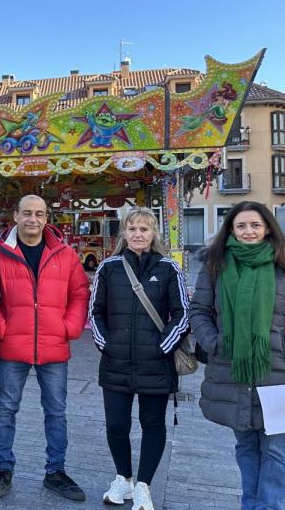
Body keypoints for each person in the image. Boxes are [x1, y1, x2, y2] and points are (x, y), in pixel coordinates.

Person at [189, 200, 285, 510]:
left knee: (275, 449)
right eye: (241, 225)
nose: (249, 231)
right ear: (231, 229)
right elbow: (199, 310)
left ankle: (268, 506)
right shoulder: (215, 265)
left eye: (255, 225)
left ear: (267, 229)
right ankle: (251, 504)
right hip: (231, 368)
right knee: (245, 444)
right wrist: (215, 342)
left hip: (279, 370)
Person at [0, 194, 90, 502]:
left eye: (39, 213)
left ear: (47, 218)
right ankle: (2, 469)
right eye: (27, 213)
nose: (33, 219)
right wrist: (1, 329)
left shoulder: (65, 255)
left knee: (56, 412)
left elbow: (80, 292)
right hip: (12, 345)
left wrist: (68, 327)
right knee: (5, 409)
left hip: (53, 345)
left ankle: (55, 471)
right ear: (15, 216)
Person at [88, 208, 189, 510]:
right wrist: (106, 345)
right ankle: (124, 478)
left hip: (156, 363)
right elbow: (95, 313)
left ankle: (144, 485)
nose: (137, 234)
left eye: (144, 229)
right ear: (124, 233)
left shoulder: (169, 268)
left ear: (153, 233)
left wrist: (163, 348)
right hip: (116, 361)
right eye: (132, 228)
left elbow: (182, 315)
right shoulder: (109, 267)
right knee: (116, 425)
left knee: (152, 423)